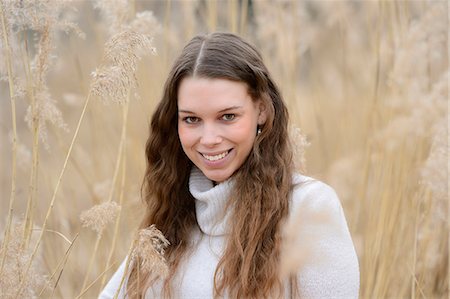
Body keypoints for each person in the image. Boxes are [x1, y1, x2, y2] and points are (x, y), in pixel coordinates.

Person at [99, 32, 359, 299]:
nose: (209, 139)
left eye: (228, 116)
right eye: (191, 119)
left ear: (262, 111)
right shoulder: (172, 214)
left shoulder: (309, 206)